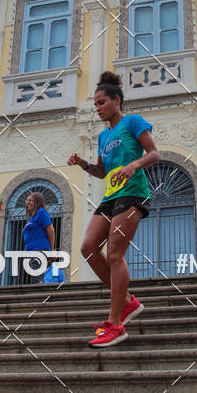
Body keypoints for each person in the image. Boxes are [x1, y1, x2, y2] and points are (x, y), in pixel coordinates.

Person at [68, 71, 160, 347]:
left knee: (115, 252)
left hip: (133, 194)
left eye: (101, 102)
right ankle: (128, 302)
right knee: (87, 247)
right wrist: (83, 164)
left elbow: (155, 153)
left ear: (116, 100)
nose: (97, 108)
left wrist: (132, 166)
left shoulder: (132, 122)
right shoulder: (103, 136)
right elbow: (102, 171)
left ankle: (116, 324)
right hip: (111, 196)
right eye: (95, 104)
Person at [21, 192, 55, 284]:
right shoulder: (32, 218)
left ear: (38, 202)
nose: (28, 202)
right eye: (27, 200)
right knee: (36, 278)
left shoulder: (41, 212)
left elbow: (51, 230)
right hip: (32, 252)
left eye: (31, 200)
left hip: (39, 250)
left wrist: (51, 249)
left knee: (37, 278)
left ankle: (40, 296)